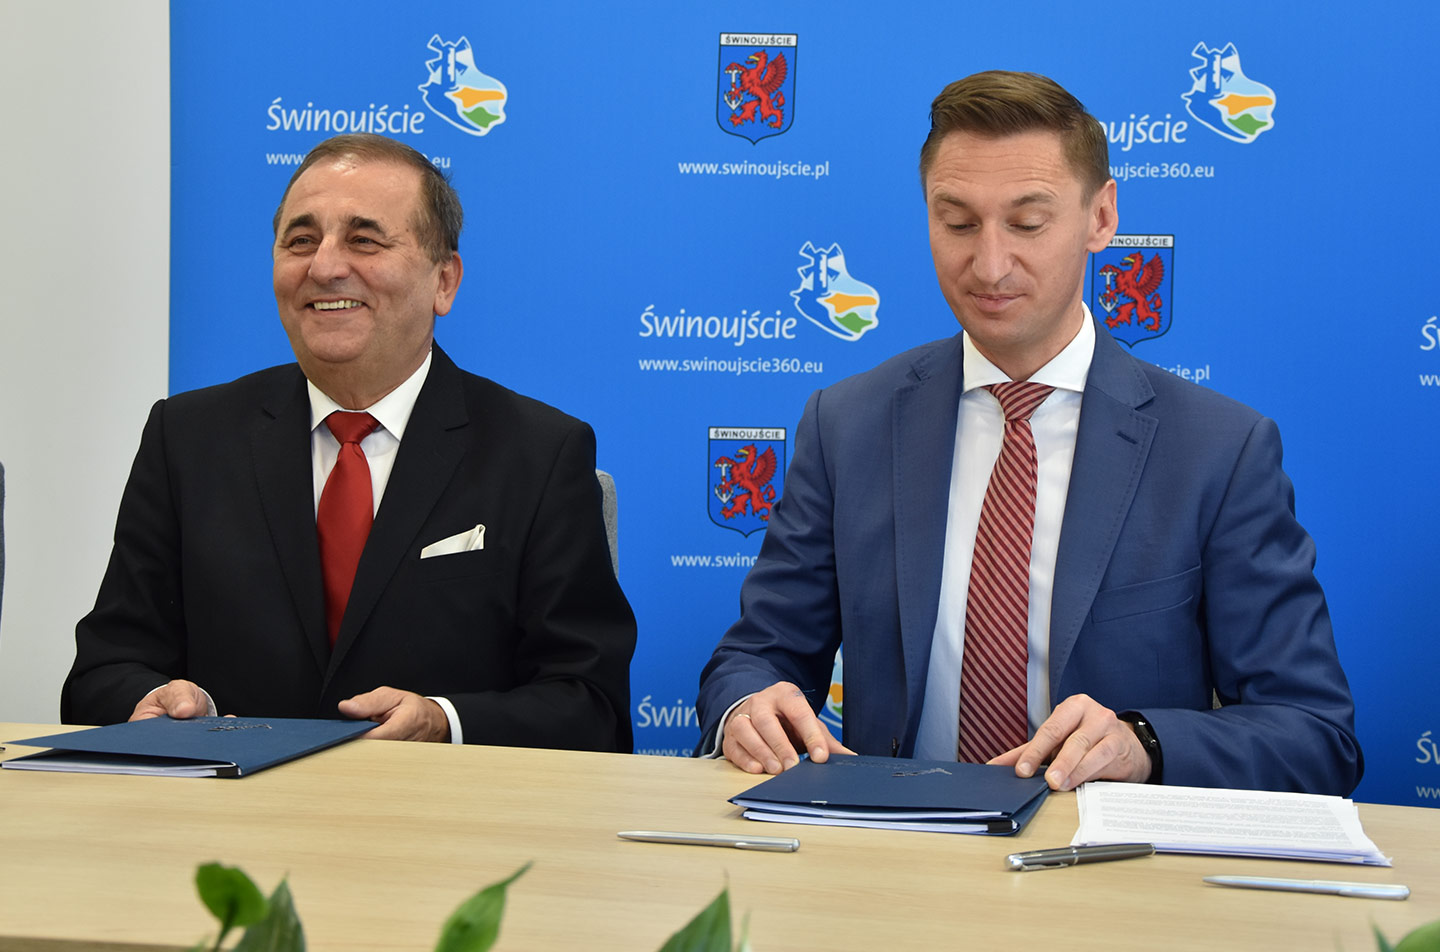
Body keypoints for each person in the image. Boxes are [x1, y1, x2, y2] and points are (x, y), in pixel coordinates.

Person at [695, 71, 1362, 795]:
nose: (988, 265)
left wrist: (1144, 744)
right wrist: (747, 707)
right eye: (957, 223)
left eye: (1027, 223)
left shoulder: (1218, 450)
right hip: (895, 840)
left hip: (1106, 851)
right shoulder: (847, 424)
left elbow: (1313, 733)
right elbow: (756, 656)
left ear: (1101, 217)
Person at [62, 133, 637, 750]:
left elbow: (591, 708)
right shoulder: (187, 438)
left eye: (364, 240)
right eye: (300, 241)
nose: (324, 267)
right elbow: (102, 672)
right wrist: (156, 700)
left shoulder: (540, 453)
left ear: (444, 280)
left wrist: (444, 721)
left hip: (441, 805)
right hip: (231, 803)